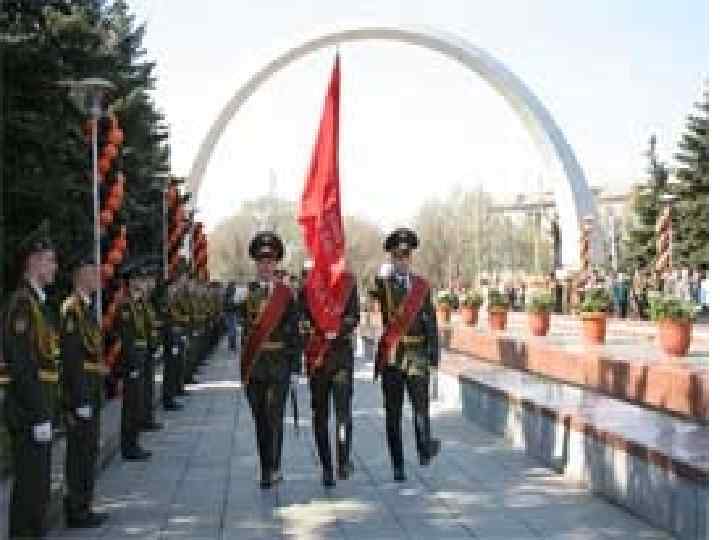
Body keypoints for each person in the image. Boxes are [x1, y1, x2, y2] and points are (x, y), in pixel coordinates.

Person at [2, 222, 59, 538]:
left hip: (39, 409)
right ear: (34, 262)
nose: (54, 267)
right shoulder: (22, 305)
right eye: (50, 260)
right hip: (28, 414)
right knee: (29, 492)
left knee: (38, 492)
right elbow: (22, 366)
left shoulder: (37, 303)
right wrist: (39, 415)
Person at [371, 227, 440, 482]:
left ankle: (424, 448)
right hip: (393, 357)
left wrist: (434, 354)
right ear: (391, 258)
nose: (402, 260)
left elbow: (430, 320)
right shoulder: (385, 284)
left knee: (421, 408)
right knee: (394, 414)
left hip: (417, 354)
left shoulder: (422, 286)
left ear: (411, 257)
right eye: (397, 256)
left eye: (406, 256)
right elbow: (373, 293)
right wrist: (379, 278)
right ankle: (397, 464)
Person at [238, 231, 301, 488]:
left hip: (279, 364)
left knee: (275, 417)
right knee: (260, 419)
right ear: (256, 264)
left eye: (270, 261)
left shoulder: (286, 295)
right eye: (261, 262)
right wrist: (233, 301)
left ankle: (272, 467)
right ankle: (266, 465)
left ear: (276, 264)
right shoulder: (246, 293)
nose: (265, 266)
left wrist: (295, 368)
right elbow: (234, 322)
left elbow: (295, 332)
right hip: (254, 364)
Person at [58, 239, 109, 528]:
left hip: (91, 390)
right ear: (80, 275)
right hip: (82, 395)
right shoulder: (72, 310)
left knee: (88, 452)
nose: (97, 277)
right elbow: (72, 360)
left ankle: (84, 506)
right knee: (79, 454)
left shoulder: (85, 309)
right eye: (92, 272)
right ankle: (76, 510)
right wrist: (79, 401)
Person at [300, 259, 360, 487]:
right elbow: (302, 319)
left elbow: (354, 316)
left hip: (341, 357)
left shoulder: (348, 283)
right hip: (318, 359)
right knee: (320, 415)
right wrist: (317, 330)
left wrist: (337, 329)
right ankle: (326, 466)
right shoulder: (308, 287)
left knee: (343, 414)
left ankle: (343, 460)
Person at [117, 263, 152, 460]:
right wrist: (132, 366)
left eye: (142, 279)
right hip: (132, 361)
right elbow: (127, 337)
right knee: (131, 405)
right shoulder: (125, 305)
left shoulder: (138, 304)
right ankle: (129, 446)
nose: (142, 283)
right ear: (130, 282)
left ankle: (134, 442)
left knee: (137, 403)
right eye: (138, 279)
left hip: (140, 357)